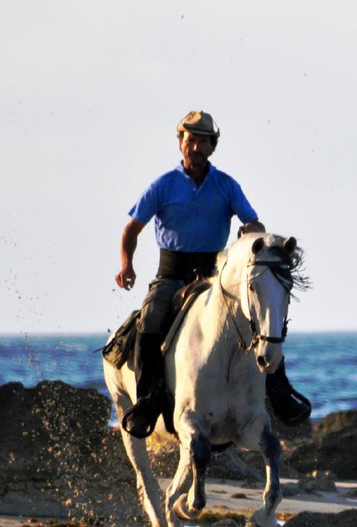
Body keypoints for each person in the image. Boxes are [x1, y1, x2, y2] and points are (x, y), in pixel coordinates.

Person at [116, 110, 311, 438]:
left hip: (213, 274)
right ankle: (147, 402)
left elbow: (252, 221)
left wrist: (253, 235)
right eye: (189, 140)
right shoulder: (163, 185)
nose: (195, 146)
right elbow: (131, 230)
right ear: (180, 143)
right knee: (150, 318)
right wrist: (127, 265)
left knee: (260, 316)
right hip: (171, 273)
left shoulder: (226, 184)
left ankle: (279, 393)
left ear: (211, 147)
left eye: (202, 141)